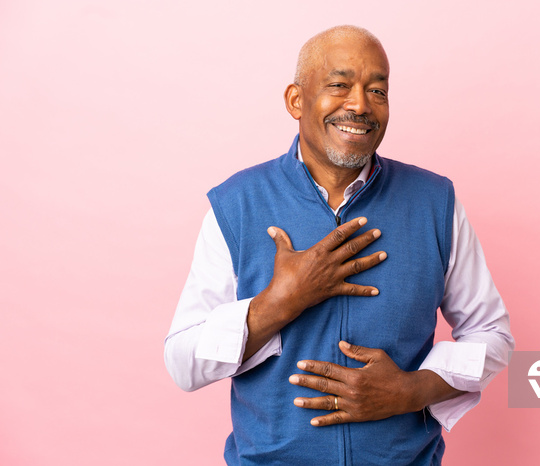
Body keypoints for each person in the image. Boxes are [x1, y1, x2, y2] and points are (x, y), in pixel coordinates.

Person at [165, 25, 514, 465]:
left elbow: (493, 334)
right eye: (339, 85)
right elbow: (182, 363)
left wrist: (412, 390)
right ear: (296, 100)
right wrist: (279, 302)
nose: (360, 106)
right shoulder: (236, 204)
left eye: (378, 91)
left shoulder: (435, 201)